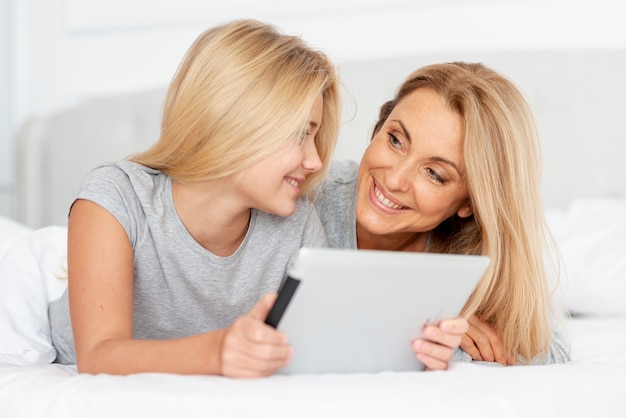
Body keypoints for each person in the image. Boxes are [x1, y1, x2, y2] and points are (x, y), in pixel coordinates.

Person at [48, 19, 342, 378]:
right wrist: (218, 351)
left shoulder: (296, 225)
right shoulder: (117, 198)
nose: (314, 161)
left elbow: (326, 350)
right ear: (235, 125)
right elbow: (98, 358)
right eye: (301, 134)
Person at [315, 61, 571, 368]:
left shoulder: (471, 255)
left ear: (470, 203)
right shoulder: (308, 197)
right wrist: (409, 320)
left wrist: (454, 336)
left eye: (434, 174)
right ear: (379, 128)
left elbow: (551, 351)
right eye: (395, 140)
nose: (395, 180)